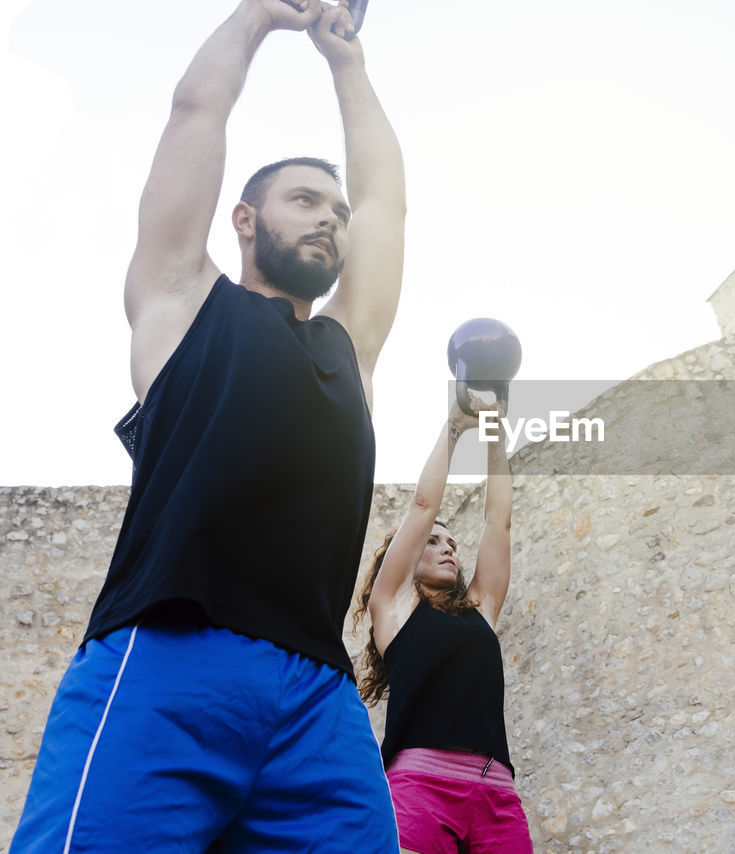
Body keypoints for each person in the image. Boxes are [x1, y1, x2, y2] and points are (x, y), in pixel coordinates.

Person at [12, 1, 405, 850]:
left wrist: (347, 63)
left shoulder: (349, 349)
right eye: (304, 200)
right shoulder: (177, 301)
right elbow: (197, 110)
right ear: (245, 219)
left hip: (318, 699)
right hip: (170, 655)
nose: (330, 218)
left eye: (334, 212)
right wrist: (262, 14)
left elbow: (384, 204)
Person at [353, 392, 532, 853]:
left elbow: (499, 522)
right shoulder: (392, 606)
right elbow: (422, 505)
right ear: (408, 557)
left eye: (452, 542)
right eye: (433, 542)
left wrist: (493, 432)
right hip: (420, 787)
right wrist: (455, 427)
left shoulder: (481, 608)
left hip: (496, 793)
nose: (448, 547)